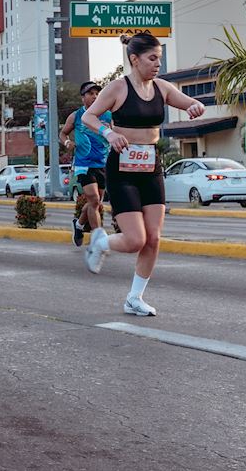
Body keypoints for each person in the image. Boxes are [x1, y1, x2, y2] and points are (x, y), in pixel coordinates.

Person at [80, 34, 206, 314]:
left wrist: (196, 107)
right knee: (135, 239)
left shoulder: (162, 88)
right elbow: (88, 117)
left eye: (159, 58)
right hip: (122, 169)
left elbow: (189, 103)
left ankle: (134, 298)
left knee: (154, 238)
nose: (157, 64)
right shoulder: (117, 89)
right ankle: (100, 242)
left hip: (151, 168)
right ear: (134, 59)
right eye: (152, 58)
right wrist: (108, 132)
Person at [60, 81, 112, 247]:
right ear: (83, 97)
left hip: (102, 164)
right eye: (90, 94)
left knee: (95, 203)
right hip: (83, 164)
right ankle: (99, 239)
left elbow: (117, 132)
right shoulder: (76, 116)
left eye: (97, 93)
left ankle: (79, 224)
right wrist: (67, 143)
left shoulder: (108, 115)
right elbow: (63, 134)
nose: (94, 96)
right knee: (94, 199)